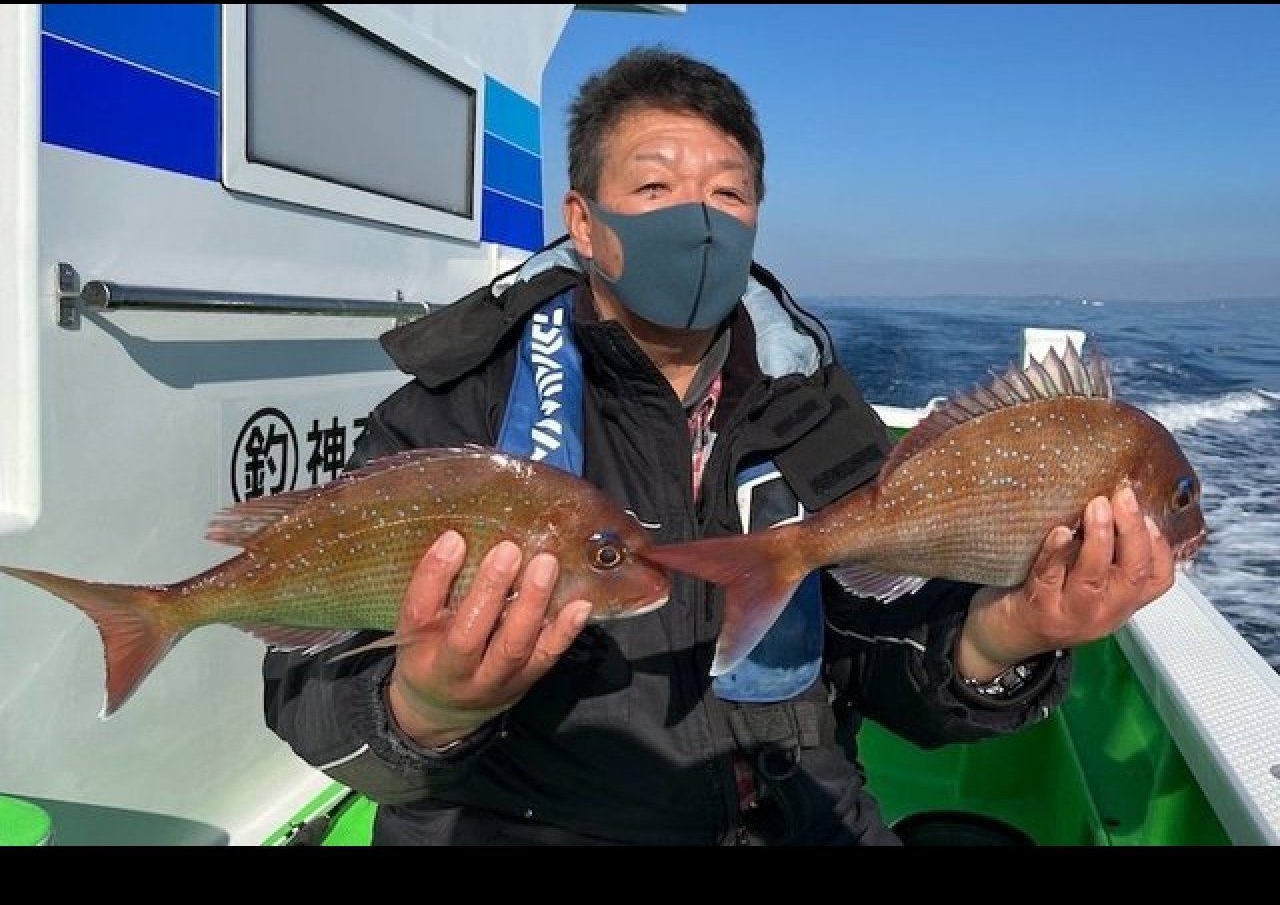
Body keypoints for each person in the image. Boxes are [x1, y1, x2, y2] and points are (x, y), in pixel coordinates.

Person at [262, 45, 1176, 845]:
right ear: (584, 222)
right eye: (654, 187)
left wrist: (1010, 631)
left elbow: (878, 655)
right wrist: (423, 710)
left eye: (728, 193)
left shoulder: (810, 403)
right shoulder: (460, 407)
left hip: (808, 818)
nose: (697, 220)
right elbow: (303, 685)